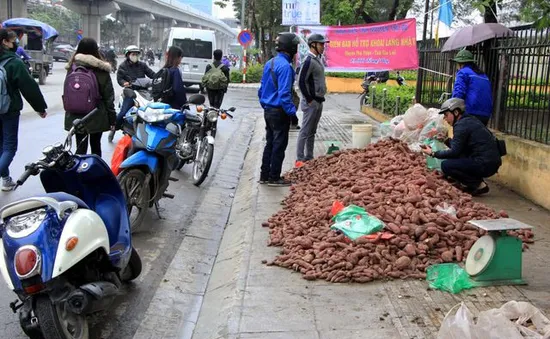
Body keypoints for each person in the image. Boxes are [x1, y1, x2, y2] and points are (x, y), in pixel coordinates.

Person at [421, 98, 502, 196]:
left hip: (485, 164)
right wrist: (445, 139)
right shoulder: (468, 120)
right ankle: (474, 183)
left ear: (456, 112)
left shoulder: (461, 126)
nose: (444, 119)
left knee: (446, 165)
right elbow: (460, 147)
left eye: (446, 115)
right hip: (490, 162)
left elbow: (454, 152)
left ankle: (479, 184)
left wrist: (433, 153)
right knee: (456, 159)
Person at [0, 29, 47, 191]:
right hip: (9, 110)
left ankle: (6, 179)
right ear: (5, 42)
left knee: (1, 146)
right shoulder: (13, 62)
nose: (16, 42)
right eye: (14, 40)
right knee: (9, 147)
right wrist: (40, 108)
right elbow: (29, 87)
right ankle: (3, 175)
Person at [258, 32, 300, 187]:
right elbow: (284, 94)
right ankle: (274, 177)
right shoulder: (286, 68)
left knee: (269, 143)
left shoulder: (270, 63)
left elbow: (261, 89)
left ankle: (264, 175)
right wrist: (292, 114)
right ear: (290, 48)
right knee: (279, 144)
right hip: (279, 111)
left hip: (268, 110)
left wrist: (265, 105)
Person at [64, 38, 116, 157]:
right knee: (96, 147)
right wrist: (112, 119)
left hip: (76, 114)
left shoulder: (72, 68)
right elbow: (109, 98)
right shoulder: (101, 70)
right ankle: (94, 173)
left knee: (80, 149)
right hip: (96, 114)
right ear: (95, 51)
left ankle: (79, 173)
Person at [109, 45, 155, 142]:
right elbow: (119, 78)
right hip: (130, 91)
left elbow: (151, 74)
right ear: (128, 55)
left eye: (137, 54)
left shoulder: (142, 65)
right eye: (133, 54)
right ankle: (114, 128)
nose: (135, 56)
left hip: (143, 91)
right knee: (123, 112)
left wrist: (158, 78)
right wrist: (123, 83)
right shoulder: (123, 66)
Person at [295, 33, 329, 167]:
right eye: (321, 44)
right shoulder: (308, 60)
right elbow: (301, 81)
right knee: (305, 130)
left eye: (323, 44)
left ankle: (309, 157)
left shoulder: (318, 59)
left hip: (319, 101)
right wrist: (309, 99)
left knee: (312, 131)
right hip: (311, 102)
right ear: (313, 44)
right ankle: (299, 158)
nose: (323, 47)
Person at [451, 49, 493, 126]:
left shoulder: (463, 72)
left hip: (470, 113)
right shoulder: (484, 75)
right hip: (486, 114)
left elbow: (458, 93)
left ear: (461, 64)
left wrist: (451, 108)